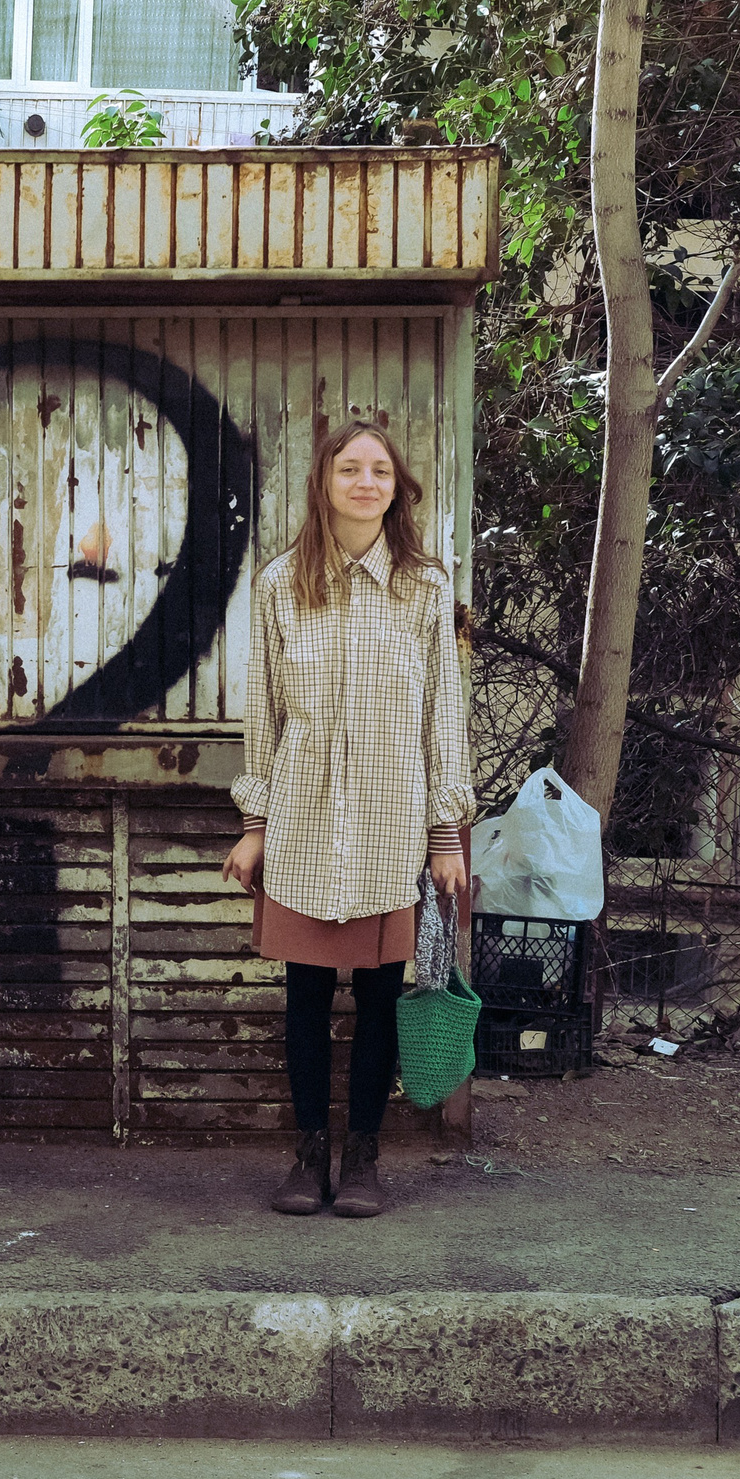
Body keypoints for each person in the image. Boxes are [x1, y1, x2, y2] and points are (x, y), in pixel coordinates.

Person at [220, 419, 472, 1219]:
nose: (366, 482)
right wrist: (256, 823)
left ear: (397, 488)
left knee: (377, 994)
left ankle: (363, 1154)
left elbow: (445, 718)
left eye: (380, 471)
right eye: (350, 468)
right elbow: (261, 714)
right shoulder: (278, 585)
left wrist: (443, 835)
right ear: (324, 482)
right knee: (301, 996)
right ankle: (307, 1155)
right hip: (300, 818)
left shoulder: (427, 589)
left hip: (390, 823)